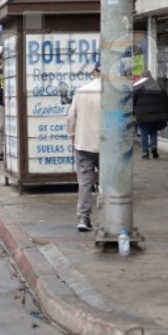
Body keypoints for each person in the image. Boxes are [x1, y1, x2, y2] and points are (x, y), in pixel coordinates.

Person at [64, 64, 103, 232]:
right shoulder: (115, 92)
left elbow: (71, 117)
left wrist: (73, 136)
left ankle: (84, 217)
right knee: (108, 183)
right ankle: (108, 217)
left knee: (85, 182)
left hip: (83, 143)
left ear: (94, 73)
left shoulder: (82, 91)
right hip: (108, 145)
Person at [132, 69, 168, 159]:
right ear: (150, 75)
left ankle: (145, 152)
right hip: (157, 115)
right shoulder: (159, 85)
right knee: (153, 131)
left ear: (142, 76)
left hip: (143, 115)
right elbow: (166, 101)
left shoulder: (138, 86)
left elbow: (132, 100)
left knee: (144, 132)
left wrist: (131, 110)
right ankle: (154, 147)